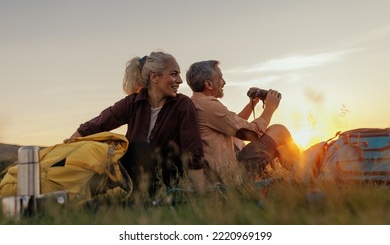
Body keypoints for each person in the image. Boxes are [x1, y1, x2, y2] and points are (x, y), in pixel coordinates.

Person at [67, 51, 205, 196]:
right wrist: (65, 152)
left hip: (164, 177)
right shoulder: (132, 103)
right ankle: (77, 195)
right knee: (113, 151)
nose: (180, 80)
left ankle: (141, 197)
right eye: (174, 74)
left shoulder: (183, 105)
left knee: (140, 148)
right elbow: (93, 127)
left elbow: (192, 153)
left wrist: (200, 194)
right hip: (131, 175)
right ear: (154, 77)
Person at [186, 60, 300, 184]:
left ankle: (297, 173)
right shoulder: (209, 106)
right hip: (230, 176)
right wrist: (270, 108)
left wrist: (252, 104)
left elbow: (234, 123)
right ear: (208, 84)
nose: (224, 83)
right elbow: (251, 133)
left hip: (216, 174)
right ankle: (304, 174)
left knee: (244, 140)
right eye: (220, 78)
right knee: (279, 130)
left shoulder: (197, 103)